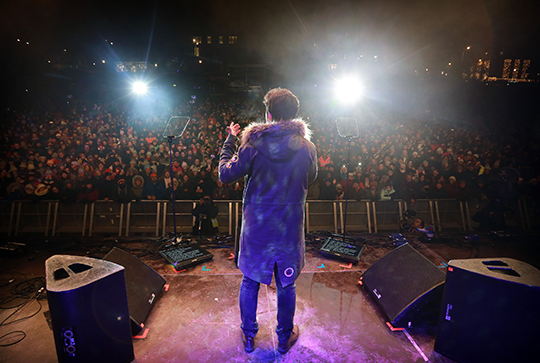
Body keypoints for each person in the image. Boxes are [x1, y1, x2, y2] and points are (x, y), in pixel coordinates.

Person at [219, 88, 317, 354]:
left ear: (269, 115)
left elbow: (225, 175)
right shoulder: (307, 148)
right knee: (287, 284)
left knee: (250, 281)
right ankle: (284, 337)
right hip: (289, 228)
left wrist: (230, 140)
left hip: (257, 230)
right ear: (294, 115)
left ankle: (249, 336)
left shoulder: (250, 147)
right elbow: (313, 177)